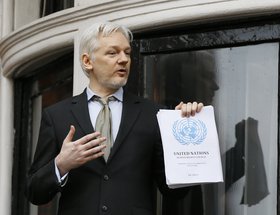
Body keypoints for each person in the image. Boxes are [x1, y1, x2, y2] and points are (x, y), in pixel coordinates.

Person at [25, 21, 203, 215]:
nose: (124, 59)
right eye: (113, 53)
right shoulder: (57, 115)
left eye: (127, 52)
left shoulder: (153, 115)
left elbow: (175, 192)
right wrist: (61, 165)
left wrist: (184, 133)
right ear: (87, 61)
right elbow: (35, 192)